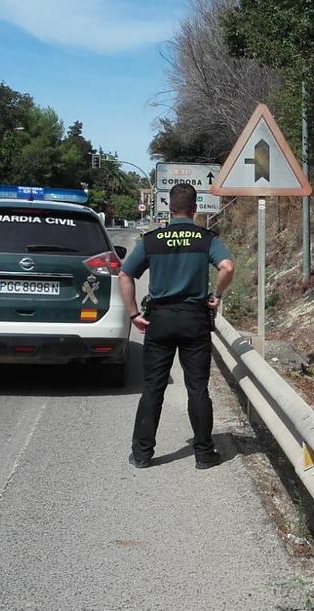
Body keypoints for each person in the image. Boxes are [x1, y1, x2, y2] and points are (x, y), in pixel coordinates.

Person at [118, 183, 235, 470]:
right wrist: (216, 296)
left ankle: (143, 454)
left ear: (169, 208)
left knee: (153, 388)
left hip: (160, 320)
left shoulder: (152, 240)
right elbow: (227, 268)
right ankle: (204, 454)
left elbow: (125, 274)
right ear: (195, 209)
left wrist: (134, 315)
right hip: (194, 319)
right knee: (197, 388)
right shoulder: (206, 239)